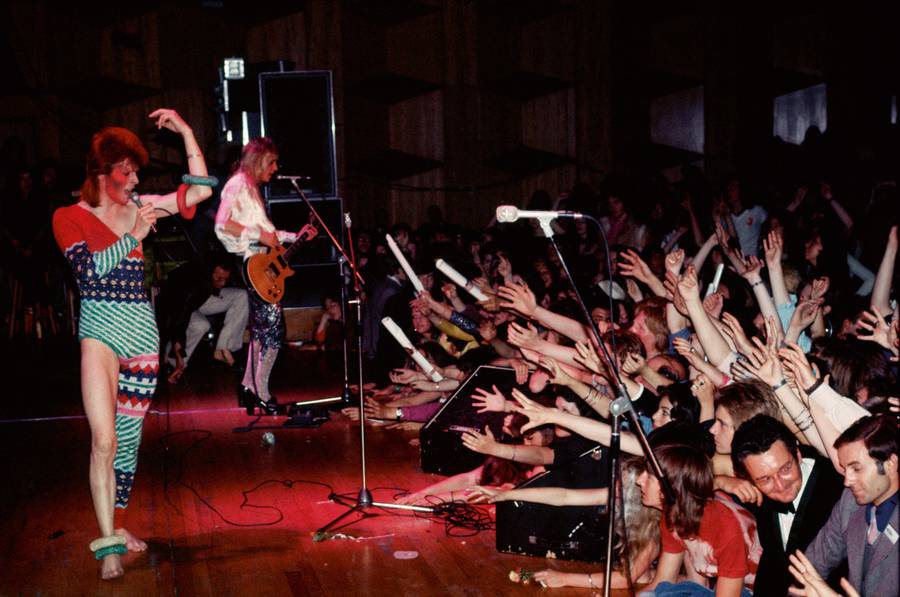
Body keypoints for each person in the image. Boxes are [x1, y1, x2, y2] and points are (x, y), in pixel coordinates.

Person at [51, 109, 212, 579]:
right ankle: (108, 548)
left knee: (127, 443)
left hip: (141, 334)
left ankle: (118, 526)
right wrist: (133, 236)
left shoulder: (142, 206)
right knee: (103, 441)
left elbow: (200, 191)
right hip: (99, 333)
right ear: (103, 172)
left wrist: (186, 131)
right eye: (129, 171)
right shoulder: (68, 217)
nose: (137, 179)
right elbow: (89, 275)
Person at [214, 137, 317, 411]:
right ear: (259, 160)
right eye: (272, 162)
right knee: (273, 330)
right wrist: (257, 234)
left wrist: (296, 236)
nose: (275, 168)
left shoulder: (250, 188)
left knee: (263, 331)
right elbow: (222, 224)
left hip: (262, 263)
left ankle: (249, 388)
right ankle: (260, 390)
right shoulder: (237, 185)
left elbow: (269, 235)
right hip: (254, 265)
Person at [731, 415, 844, 597]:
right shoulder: (755, 494)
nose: (780, 485)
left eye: (785, 469)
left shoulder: (839, 488)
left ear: (798, 455)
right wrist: (720, 481)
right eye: (765, 479)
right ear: (749, 480)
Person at [636, 443, 762, 597]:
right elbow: (663, 579)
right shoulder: (673, 513)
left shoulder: (726, 526)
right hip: (711, 588)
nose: (639, 480)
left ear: (671, 487)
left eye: (648, 477)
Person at [804, 414, 899, 597]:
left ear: (890, 464)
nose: (847, 481)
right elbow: (812, 566)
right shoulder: (849, 502)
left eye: (856, 468)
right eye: (845, 468)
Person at [161, 254, 249, 384]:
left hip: (203, 297)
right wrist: (179, 356)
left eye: (225, 279)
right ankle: (173, 362)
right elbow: (178, 322)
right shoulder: (188, 284)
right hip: (176, 306)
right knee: (201, 325)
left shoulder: (221, 268)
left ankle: (223, 349)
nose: (223, 283)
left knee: (241, 296)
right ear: (209, 272)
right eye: (218, 278)